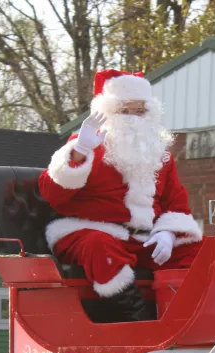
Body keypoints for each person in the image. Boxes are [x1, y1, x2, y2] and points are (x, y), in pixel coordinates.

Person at [39, 69, 204, 322]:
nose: (134, 119)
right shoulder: (86, 145)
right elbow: (51, 194)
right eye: (125, 111)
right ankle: (138, 320)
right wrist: (80, 151)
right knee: (99, 246)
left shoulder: (160, 155)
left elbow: (176, 203)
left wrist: (168, 233)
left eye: (140, 112)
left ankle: (185, 321)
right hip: (88, 232)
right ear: (108, 113)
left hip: (143, 239)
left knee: (200, 252)